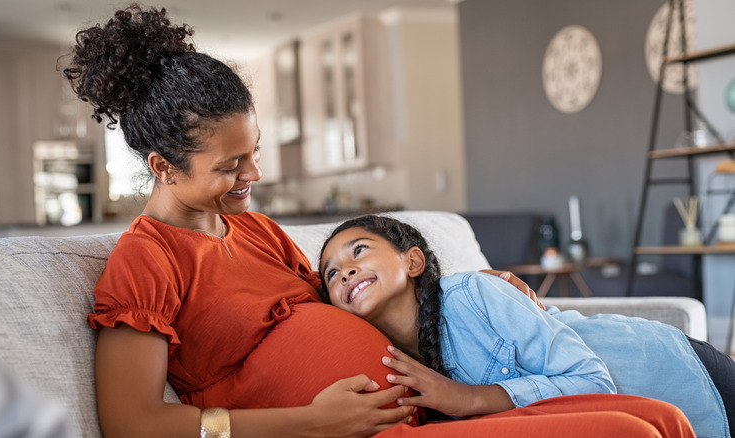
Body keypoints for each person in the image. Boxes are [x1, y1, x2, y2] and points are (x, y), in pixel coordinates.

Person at [68, 4, 696, 438]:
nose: (253, 175)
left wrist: (468, 290)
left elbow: (357, 301)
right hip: (349, 434)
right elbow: (135, 424)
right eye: (232, 164)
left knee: (661, 419)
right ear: (164, 167)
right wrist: (313, 422)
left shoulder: (252, 230)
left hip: (427, 415)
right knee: (633, 432)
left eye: (254, 151)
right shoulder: (146, 260)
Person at [318, 214, 735, 438]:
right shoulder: (391, 361)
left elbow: (592, 380)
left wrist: (469, 398)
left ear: (412, 261)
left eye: (359, 251)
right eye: (332, 274)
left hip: (675, 374)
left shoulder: (473, 296)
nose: (347, 272)